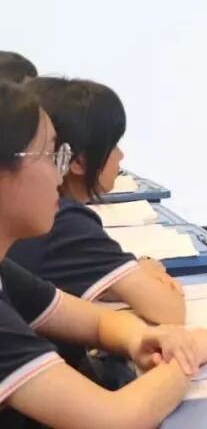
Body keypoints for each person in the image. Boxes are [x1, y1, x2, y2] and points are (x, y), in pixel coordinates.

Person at [0, 80, 207, 428]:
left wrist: (143, 338)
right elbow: (116, 418)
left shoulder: (5, 272)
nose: (59, 173)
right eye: (49, 155)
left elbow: (98, 321)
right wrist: (188, 353)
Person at [9, 78, 184, 330]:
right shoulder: (64, 222)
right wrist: (142, 268)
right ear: (78, 162)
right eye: (49, 155)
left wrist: (120, 279)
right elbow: (170, 310)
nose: (121, 155)